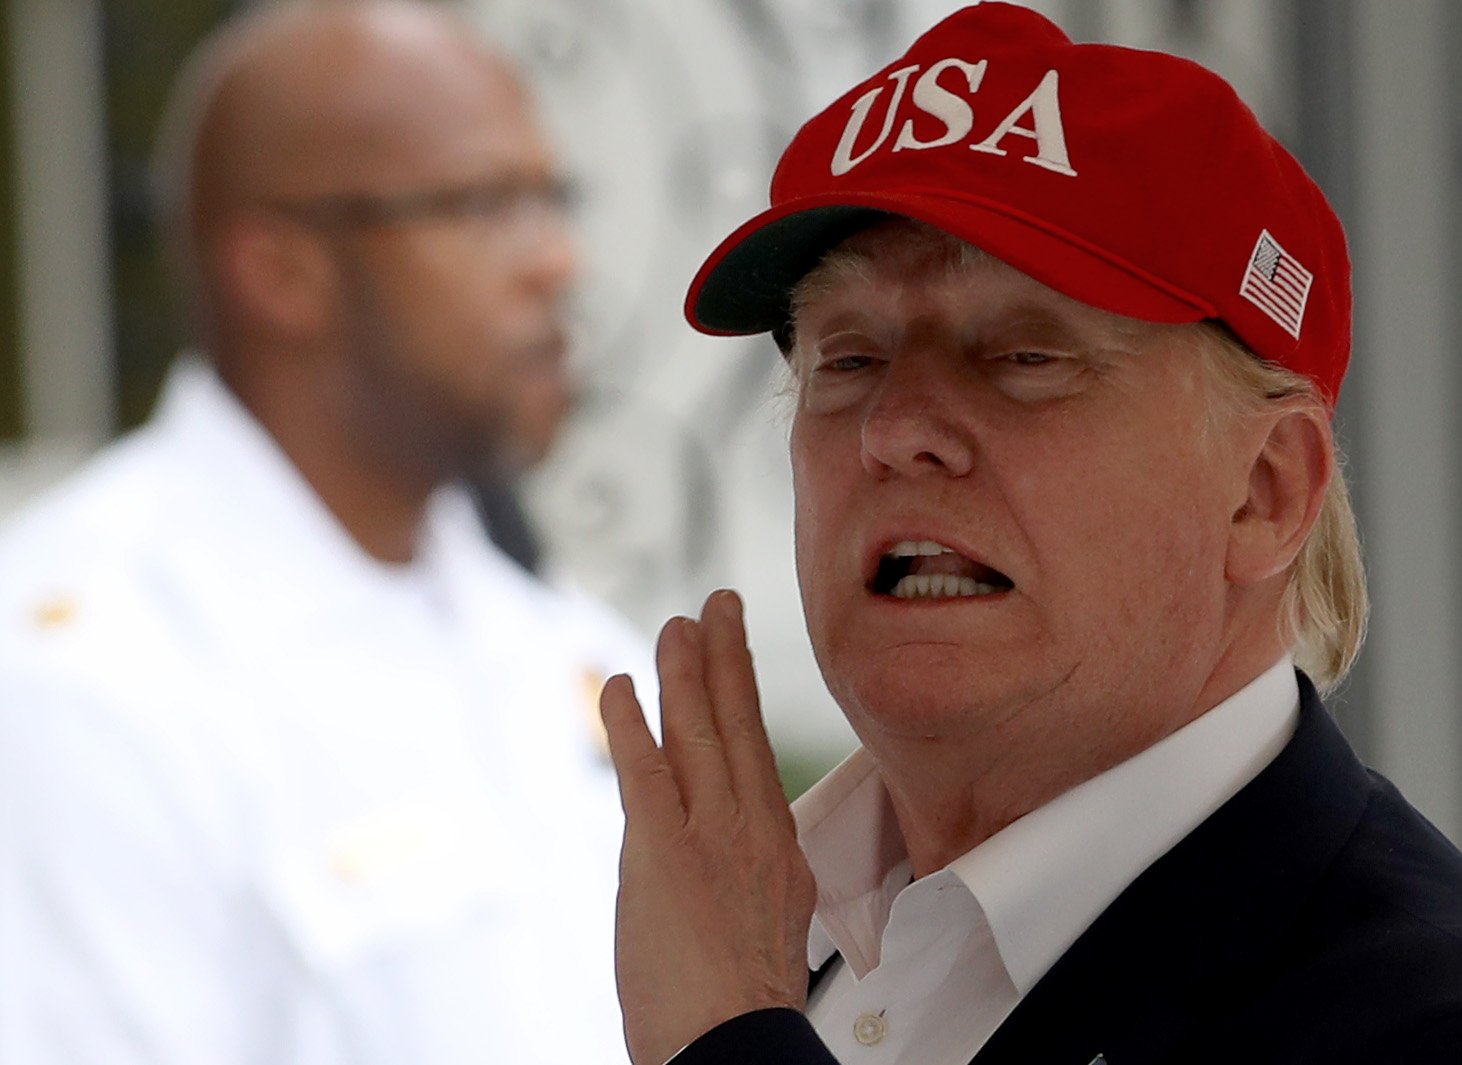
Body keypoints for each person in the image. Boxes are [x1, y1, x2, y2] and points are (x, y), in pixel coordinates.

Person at [598, 5, 1462, 1064]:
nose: (895, 430)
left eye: (1023, 357)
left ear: (1264, 493)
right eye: (849, 358)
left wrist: (727, 1041)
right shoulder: (751, 920)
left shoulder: (1411, 1011)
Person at [0, 2, 650, 1063]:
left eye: (553, 199)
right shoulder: (79, 685)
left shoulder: (562, 648)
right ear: (280, 272)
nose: (557, 262)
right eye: (486, 203)